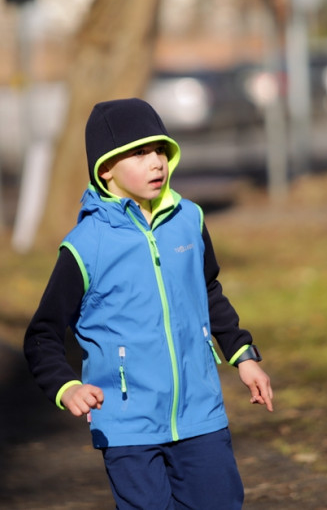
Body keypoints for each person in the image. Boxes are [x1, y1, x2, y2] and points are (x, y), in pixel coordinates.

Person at [24, 98, 274, 509]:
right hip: (127, 426)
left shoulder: (189, 219)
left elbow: (208, 290)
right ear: (106, 169)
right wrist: (66, 387)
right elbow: (42, 335)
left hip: (200, 414)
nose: (156, 162)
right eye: (139, 154)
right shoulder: (85, 246)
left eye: (160, 150)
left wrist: (242, 355)